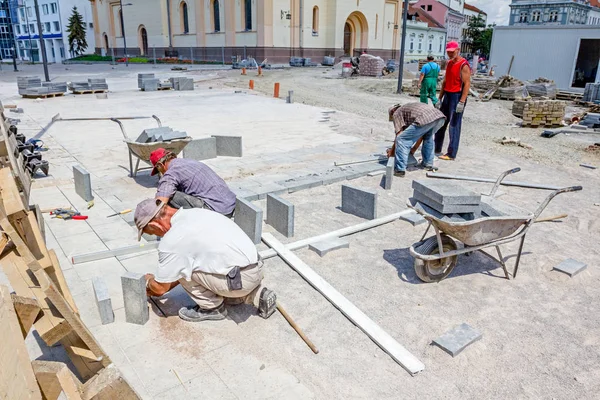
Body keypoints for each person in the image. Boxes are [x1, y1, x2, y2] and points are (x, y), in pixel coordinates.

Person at [136, 198, 277, 322]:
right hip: (256, 268)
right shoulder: (195, 212)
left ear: (155, 225)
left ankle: (212, 308)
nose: (158, 236)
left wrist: (149, 283)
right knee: (194, 262)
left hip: (239, 280)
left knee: (184, 268)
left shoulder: (172, 240)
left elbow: (161, 288)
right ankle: (258, 295)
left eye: (153, 232)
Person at [149, 148, 236, 218]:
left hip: (217, 211)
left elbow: (160, 201)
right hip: (230, 204)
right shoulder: (188, 161)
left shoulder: (171, 173)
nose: (160, 173)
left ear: (160, 165)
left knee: (170, 197)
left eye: (158, 170)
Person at [434, 41, 471, 161]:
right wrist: (439, 98)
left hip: (457, 95)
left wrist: (462, 101)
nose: (450, 54)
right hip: (448, 94)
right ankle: (436, 147)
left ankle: (451, 153)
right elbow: (445, 81)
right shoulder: (449, 63)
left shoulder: (463, 65)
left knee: (454, 125)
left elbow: (466, 84)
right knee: (441, 122)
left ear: (458, 50)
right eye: (448, 52)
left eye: (452, 52)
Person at [388, 102, 446, 177]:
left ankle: (400, 170)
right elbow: (420, 135)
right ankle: (427, 164)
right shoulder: (408, 110)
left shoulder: (396, 113)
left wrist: (392, 153)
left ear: (392, 111)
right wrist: (413, 150)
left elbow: (399, 136)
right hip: (439, 117)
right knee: (428, 137)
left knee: (401, 139)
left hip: (425, 118)